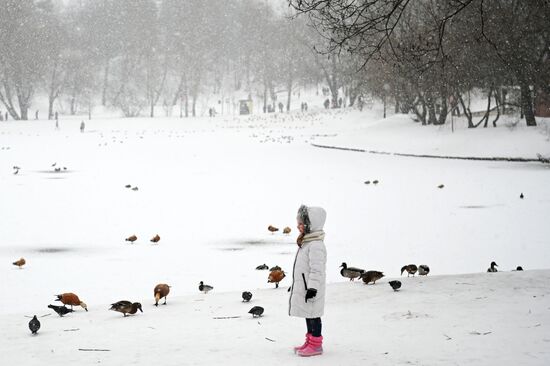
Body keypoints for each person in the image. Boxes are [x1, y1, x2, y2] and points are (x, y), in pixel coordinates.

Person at [289, 204, 327, 357]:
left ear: (311, 225)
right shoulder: (308, 242)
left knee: (314, 315)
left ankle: (316, 345)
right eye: (298, 222)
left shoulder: (316, 245)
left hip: (312, 288)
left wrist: (312, 288)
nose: (298, 226)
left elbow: (317, 270)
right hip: (305, 287)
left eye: (301, 223)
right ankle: (309, 341)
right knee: (308, 314)